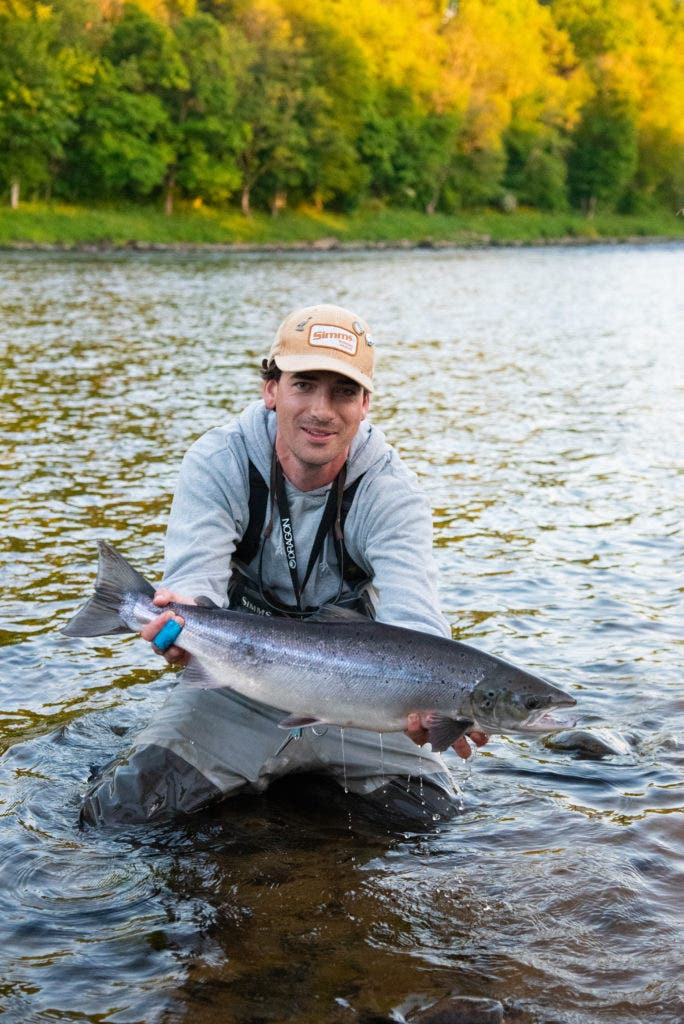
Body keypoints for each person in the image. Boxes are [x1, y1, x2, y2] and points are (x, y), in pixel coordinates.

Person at [80, 303, 487, 826]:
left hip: (362, 704)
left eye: (342, 391)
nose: (322, 410)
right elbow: (193, 585)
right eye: (304, 385)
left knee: (433, 824)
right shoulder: (219, 461)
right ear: (271, 389)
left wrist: (435, 702)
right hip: (238, 689)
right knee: (125, 815)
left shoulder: (391, 492)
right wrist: (175, 614)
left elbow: (416, 621)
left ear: (365, 404)